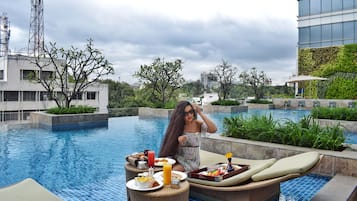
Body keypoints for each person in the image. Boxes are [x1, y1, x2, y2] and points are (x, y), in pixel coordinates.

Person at [159, 101, 217, 172]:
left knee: (172, 172)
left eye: (191, 112)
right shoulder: (178, 126)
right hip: (178, 158)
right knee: (164, 169)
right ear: (180, 115)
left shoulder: (197, 124)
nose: (189, 115)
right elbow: (172, 148)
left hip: (192, 161)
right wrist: (179, 142)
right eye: (185, 114)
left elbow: (213, 129)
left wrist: (200, 113)